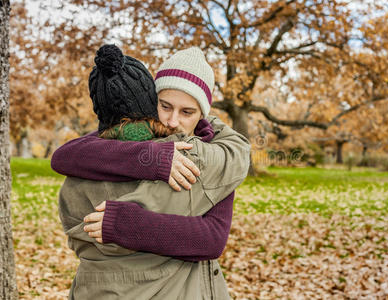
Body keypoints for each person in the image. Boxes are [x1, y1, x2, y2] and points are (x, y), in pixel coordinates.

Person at [54, 45, 250, 299]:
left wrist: (125, 225)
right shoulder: (132, 134)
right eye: (165, 106)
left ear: (202, 114)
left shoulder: (213, 156)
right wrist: (152, 159)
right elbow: (65, 156)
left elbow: (212, 239)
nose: (172, 121)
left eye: (187, 112)